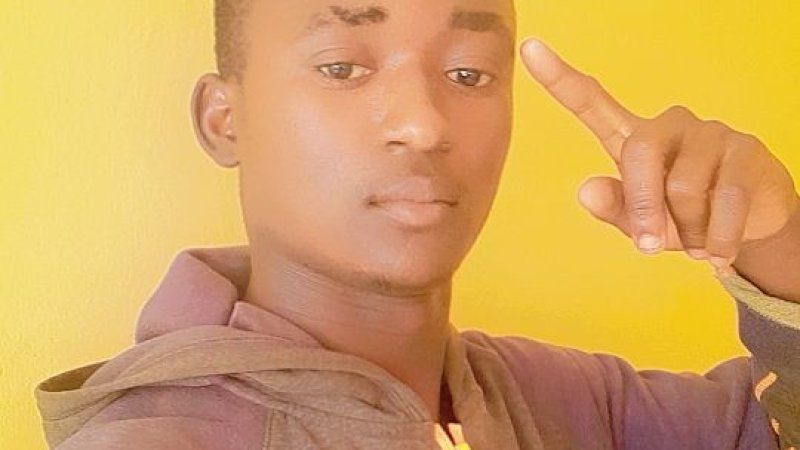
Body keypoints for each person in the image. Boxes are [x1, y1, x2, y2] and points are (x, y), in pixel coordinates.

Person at [35, 1, 800, 449]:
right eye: (342, 67)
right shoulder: (160, 439)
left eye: (469, 73)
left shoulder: (575, 404)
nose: (425, 124)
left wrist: (775, 240)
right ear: (223, 119)